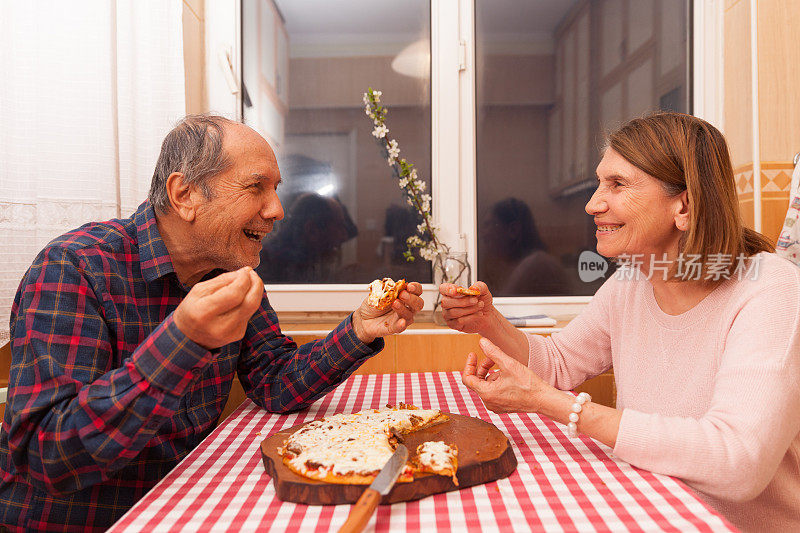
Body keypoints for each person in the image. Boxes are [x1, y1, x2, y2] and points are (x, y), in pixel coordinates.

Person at [0, 114, 424, 531]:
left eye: (275, 189)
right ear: (185, 194)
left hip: (180, 502)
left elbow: (273, 380)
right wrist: (180, 343)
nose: (277, 210)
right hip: (87, 519)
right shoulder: (76, 267)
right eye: (256, 187)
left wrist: (360, 329)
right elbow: (47, 457)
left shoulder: (228, 271)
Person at [440, 112, 800, 532]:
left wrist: (551, 402)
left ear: (683, 205)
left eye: (617, 184)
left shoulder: (771, 289)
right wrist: (488, 320)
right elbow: (557, 363)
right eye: (599, 183)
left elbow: (739, 462)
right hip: (651, 510)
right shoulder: (630, 283)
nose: (593, 204)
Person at [257, 191, 357, 283]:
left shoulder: (303, 260)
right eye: (339, 226)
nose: (344, 236)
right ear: (312, 230)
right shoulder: (271, 267)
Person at [479, 197, 568, 295]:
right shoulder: (510, 264)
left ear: (513, 230)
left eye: (488, 225)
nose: (483, 234)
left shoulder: (536, 264)